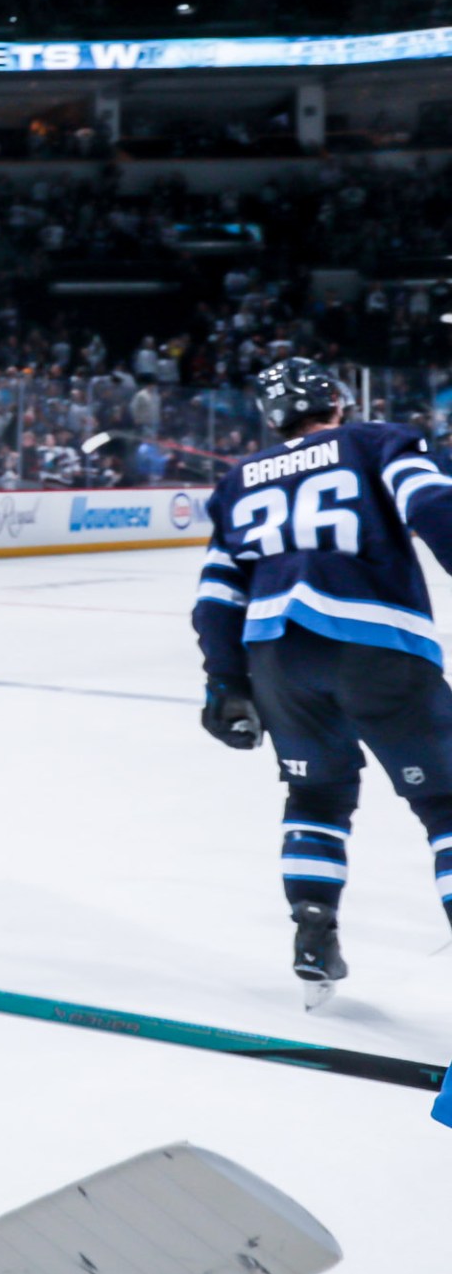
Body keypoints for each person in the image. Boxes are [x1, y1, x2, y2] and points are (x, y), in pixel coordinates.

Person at [194, 357, 452, 1003]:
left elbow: (216, 596)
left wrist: (225, 684)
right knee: (447, 803)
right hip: (374, 643)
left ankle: (313, 931)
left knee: (316, 799)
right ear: (337, 401)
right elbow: (433, 504)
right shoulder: (376, 441)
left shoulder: (237, 482)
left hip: (277, 660)